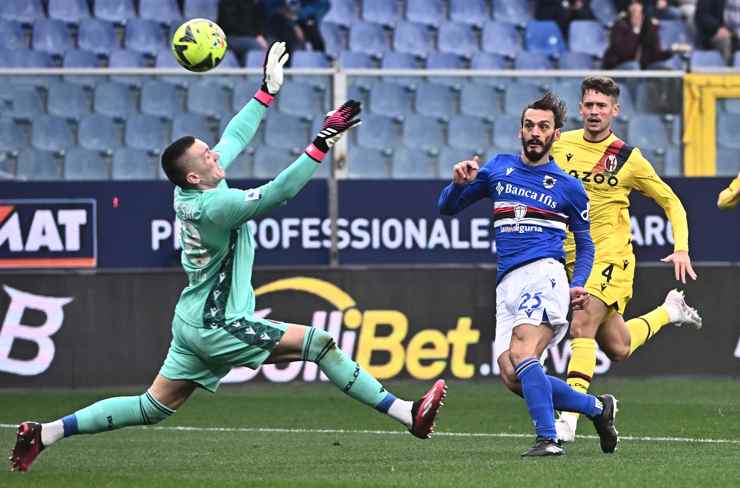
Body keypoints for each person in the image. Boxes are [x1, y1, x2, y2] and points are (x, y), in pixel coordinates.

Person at [9, 42, 447, 473]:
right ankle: (407, 413)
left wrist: (265, 93)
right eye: (206, 154)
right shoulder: (215, 206)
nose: (215, 153)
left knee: (152, 405)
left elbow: (233, 136)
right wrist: (322, 141)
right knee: (319, 342)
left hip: (193, 318)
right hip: (218, 321)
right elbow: (281, 191)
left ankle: (45, 432)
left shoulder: (197, 185)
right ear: (195, 174)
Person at [438, 93, 618, 457]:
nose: (535, 133)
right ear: (521, 130)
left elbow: (585, 245)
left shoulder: (569, 187)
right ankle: (598, 409)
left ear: (556, 134)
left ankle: (548, 439)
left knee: (522, 352)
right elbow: (448, 208)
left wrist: (577, 282)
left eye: (544, 127)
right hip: (507, 283)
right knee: (511, 374)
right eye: (529, 126)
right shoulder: (497, 169)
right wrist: (457, 184)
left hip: (544, 274)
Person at [550, 75, 702, 443]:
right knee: (617, 346)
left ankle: (567, 418)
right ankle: (670, 311)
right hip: (570, 259)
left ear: (615, 111)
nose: (594, 112)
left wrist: (681, 246)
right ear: (580, 108)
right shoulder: (561, 143)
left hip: (611, 257)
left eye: (602, 106)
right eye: (588, 105)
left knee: (581, 324)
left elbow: (671, 201)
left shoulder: (627, 159)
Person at [603, 0, 690, 70]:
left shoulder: (648, 25)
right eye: (633, 5)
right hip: (618, 66)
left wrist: (672, 50)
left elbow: (654, 54)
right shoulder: (619, 25)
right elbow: (624, 54)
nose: (636, 8)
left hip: (641, 66)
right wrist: (635, 31)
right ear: (628, 8)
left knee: (666, 67)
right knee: (634, 66)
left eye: (638, 4)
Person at [695, 0, 739, 65]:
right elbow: (701, 17)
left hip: (733, 34)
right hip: (712, 35)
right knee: (725, 40)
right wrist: (718, 28)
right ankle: (729, 68)